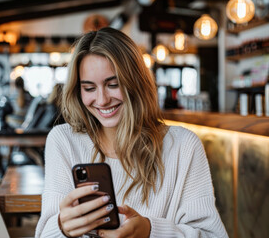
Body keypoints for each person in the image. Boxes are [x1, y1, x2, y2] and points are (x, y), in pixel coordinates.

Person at [35, 27, 228, 238]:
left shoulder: (183, 146)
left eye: (113, 84)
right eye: (89, 88)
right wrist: (62, 228)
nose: (102, 100)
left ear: (135, 82)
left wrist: (149, 231)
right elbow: (45, 234)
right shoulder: (63, 141)